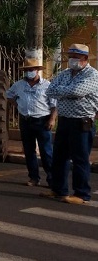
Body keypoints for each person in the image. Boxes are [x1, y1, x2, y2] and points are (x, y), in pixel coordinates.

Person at [42, 43, 98, 204]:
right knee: (59, 157)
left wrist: (66, 91)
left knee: (80, 158)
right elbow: (50, 90)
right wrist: (69, 91)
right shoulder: (65, 73)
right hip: (65, 120)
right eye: (71, 56)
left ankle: (81, 194)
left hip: (82, 122)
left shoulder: (92, 75)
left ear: (85, 59)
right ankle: (58, 189)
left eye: (76, 57)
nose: (72, 60)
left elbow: (77, 91)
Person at [5, 58, 56, 187]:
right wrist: (18, 105)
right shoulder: (19, 85)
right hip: (26, 120)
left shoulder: (47, 85)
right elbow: (9, 95)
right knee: (29, 151)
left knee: (46, 151)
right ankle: (34, 177)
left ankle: (52, 179)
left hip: (42, 121)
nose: (29, 72)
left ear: (38, 70)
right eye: (27, 70)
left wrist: (52, 119)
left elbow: (54, 105)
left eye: (32, 70)